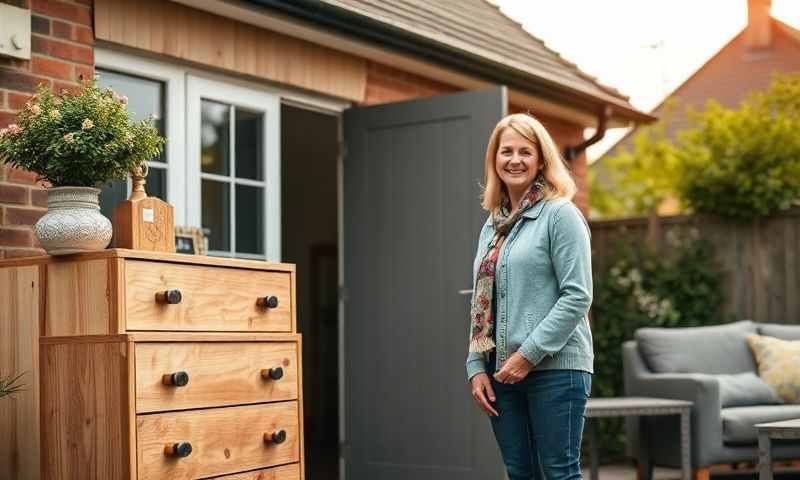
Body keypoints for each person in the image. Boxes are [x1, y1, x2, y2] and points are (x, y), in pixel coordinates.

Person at [466, 112, 594, 480]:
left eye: (526, 151)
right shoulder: (492, 226)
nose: (515, 159)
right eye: (506, 151)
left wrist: (527, 356)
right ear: (495, 160)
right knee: (520, 473)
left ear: (541, 160)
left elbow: (577, 296)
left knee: (558, 473)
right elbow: (480, 300)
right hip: (501, 373)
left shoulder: (560, 216)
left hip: (556, 369)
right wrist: (476, 367)